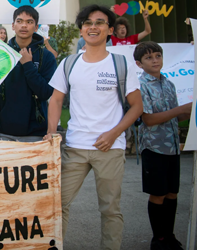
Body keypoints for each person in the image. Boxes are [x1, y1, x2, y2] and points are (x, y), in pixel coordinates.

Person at [43, 5, 143, 249]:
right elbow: (56, 100)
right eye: (87, 23)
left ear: (110, 30)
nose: (93, 27)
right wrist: (51, 130)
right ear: (81, 29)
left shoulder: (122, 64)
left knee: (110, 209)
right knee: (57, 205)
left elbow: (137, 106)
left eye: (99, 23)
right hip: (75, 147)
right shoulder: (69, 63)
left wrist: (113, 134)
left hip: (110, 148)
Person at [134, 41, 192, 250]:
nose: (155, 60)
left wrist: (189, 113)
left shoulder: (169, 84)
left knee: (172, 193)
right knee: (157, 193)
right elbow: (148, 119)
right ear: (139, 64)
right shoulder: (141, 86)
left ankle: (169, 235)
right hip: (154, 147)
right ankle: (158, 239)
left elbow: (178, 116)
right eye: (149, 57)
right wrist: (181, 110)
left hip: (173, 146)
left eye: (158, 55)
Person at [0, 6, 56, 142]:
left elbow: (46, 93)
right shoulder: (0, 55)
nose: (24, 25)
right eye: (19, 21)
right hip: (4, 133)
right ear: (13, 25)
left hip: (36, 134)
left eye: (29, 22)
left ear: (36, 27)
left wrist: (28, 65)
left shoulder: (46, 57)